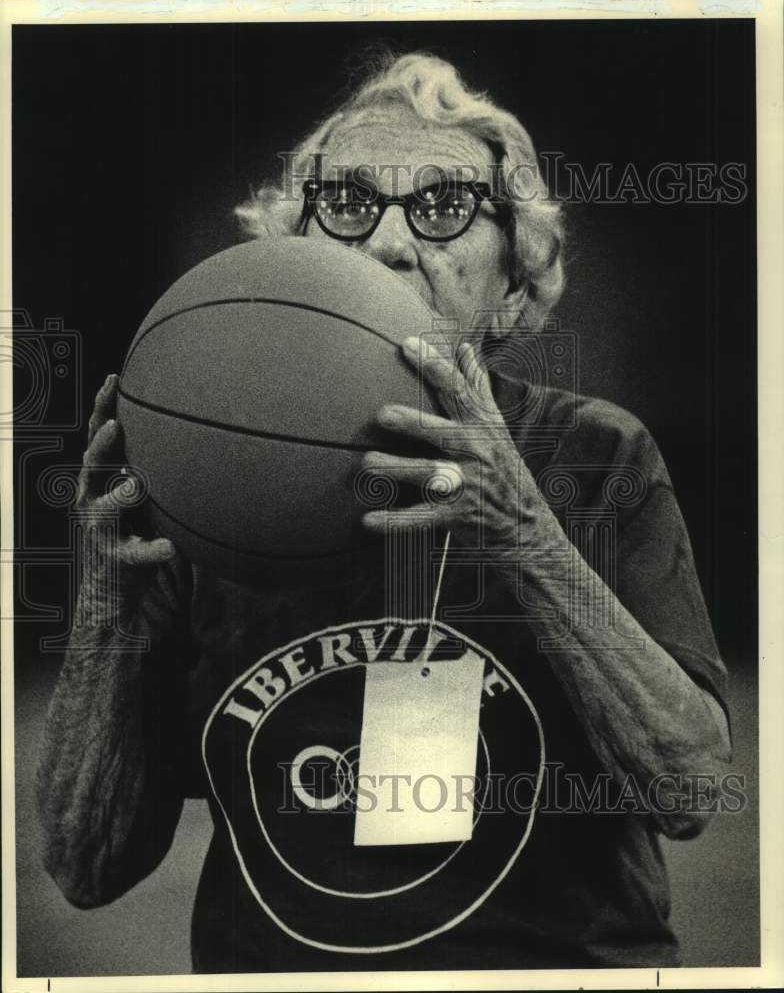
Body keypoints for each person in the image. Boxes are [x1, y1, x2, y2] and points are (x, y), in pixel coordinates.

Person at [36, 52, 732, 971]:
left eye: (444, 207)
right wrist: (110, 609)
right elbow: (87, 868)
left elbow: (689, 790)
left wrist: (524, 532)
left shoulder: (597, 455)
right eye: (350, 205)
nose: (390, 245)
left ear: (515, 280)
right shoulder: (206, 483)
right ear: (296, 250)